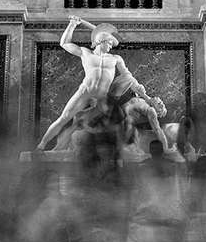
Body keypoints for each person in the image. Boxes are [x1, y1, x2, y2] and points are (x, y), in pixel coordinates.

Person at [36, 15, 156, 150]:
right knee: (64, 118)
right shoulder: (85, 53)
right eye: (109, 43)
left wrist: (145, 96)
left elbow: (129, 77)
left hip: (103, 98)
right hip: (85, 92)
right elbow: (64, 43)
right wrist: (72, 24)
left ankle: (122, 149)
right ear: (100, 41)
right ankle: (41, 145)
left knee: (119, 122)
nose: (111, 46)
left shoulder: (115, 58)